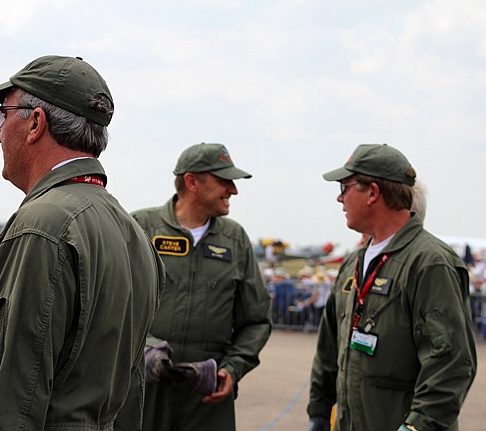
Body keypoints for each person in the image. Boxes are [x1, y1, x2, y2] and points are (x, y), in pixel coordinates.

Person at [0, 55, 164, 431]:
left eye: (2, 113)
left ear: (36, 123)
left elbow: (15, 401)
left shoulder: (42, 227)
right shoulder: (131, 232)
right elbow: (128, 393)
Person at [307, 144, 477, 431]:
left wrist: (416, 427)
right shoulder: (353, 264)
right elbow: (329, 349)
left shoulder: (430, 263)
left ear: (373, 192)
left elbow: (450, 363)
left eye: (345, 186)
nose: (339, 198)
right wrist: (320, 411)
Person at [126, 142, 272, 431]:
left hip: (206, 396)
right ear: (192, 181)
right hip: (143, 391)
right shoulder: (141, 228)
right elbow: (112, 305)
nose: (233, 190)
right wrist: (148, 349)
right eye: (224, 181)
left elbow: (256, 320)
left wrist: (232, 368)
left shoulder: (235, 239)